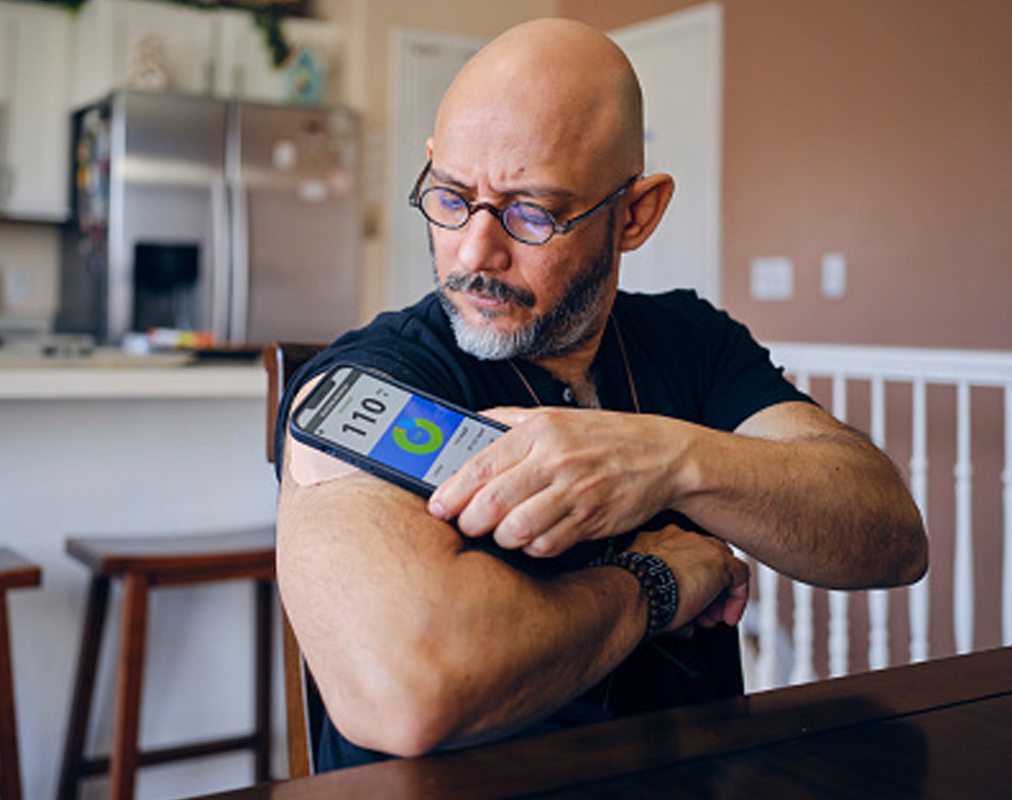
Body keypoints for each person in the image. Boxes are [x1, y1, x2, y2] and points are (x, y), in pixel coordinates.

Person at [273, 17, 927, 772]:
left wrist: (669, 460)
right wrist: (656, 583)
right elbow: (406, 689)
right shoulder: (373, 378)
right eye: (450, 197)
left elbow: (891, 538)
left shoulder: (692, 341)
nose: (475, 251)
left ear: (635, 214)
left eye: (532, 212)